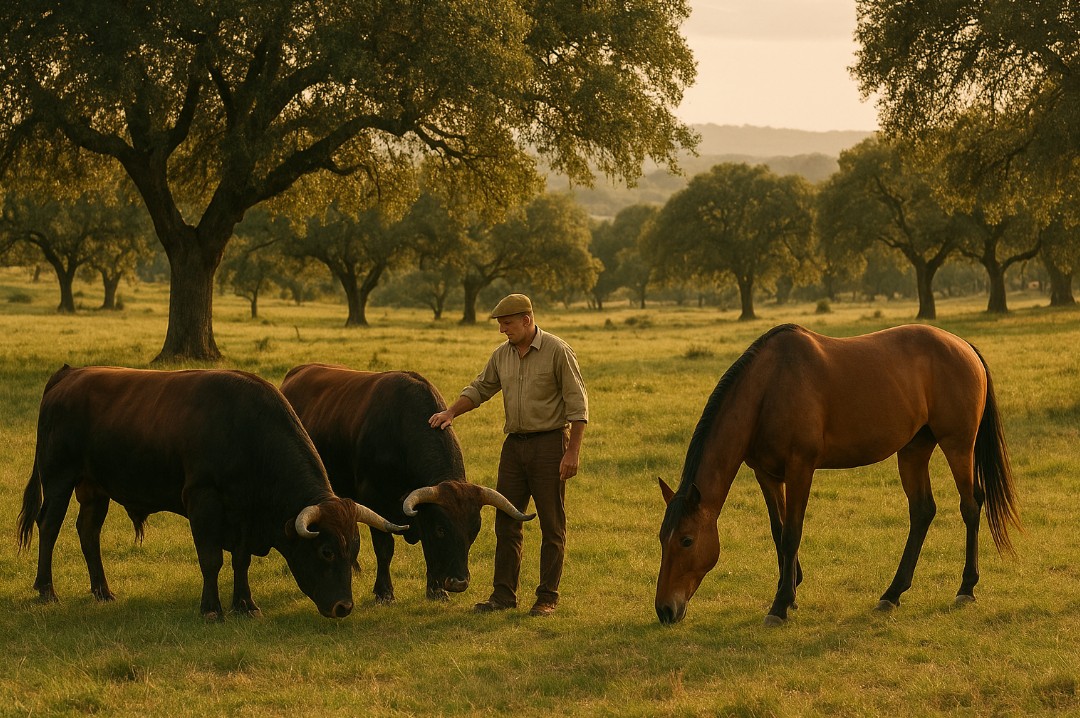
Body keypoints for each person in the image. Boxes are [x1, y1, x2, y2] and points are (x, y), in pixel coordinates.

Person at [428, 293, 588, 617]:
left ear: (527, 320)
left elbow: (578, 406)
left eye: (507, 324)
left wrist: (572, 452)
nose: (502, 330)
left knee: (551, 525)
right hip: (514, 448)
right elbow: (480, 388)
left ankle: (547, 598)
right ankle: (503, 596)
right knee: (506, 522)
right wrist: (451, 412)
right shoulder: (502, 355)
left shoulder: (558, 351)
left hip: (550, 445)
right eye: (501, 325)